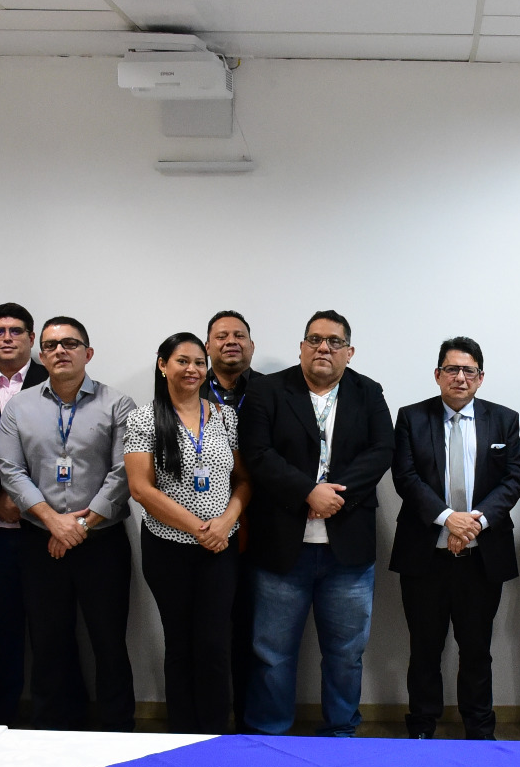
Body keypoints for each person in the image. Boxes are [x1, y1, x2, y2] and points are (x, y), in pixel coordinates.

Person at [238, 311, 394, 737]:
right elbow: (257, 453)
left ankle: (341, 733)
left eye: (334, 341)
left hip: (348, 553)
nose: (324, 348)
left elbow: (382, 451)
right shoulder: (268, 390)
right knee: (271, 654)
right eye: (315, 339)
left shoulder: (368, 392)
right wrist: (308, 492)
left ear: (349, 351)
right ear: (302, 347)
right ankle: (269, 735)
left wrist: (333, 498)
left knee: (346, 654)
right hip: (280, 550)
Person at [0, 317, 138, 731]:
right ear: (41, 355)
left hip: (103, 542)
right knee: (48, 642)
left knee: (109, 642)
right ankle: (53, 731)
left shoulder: (118, 404)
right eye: (52, 345)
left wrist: (79, 525)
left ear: (87, 353)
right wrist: (52, 521)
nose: (60, 351)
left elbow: (123, 472)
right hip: (41, 541)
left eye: (71, 343)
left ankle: (117, 731)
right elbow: (10, 469)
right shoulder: (19, 407)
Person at [390, 337, 520, 740]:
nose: (460, 377)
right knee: (425, 649)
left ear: (481, 378)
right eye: (452, 369)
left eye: (469, 370)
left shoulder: (504, 419)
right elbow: (406, 478)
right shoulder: (412, 418)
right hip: (424, 556)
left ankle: (479, 728)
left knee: (477, 649)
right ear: (438, 375)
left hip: (482, 556)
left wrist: (474, 523)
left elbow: (513, 477)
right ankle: (422, 726)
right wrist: (449, 519)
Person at [125, 332, 250, 734]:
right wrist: (199, 528)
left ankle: (214, 732)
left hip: (220, 548)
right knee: (179, 644)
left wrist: (228, 520)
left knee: (215, 645)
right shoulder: (144, 418)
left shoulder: (226, 417)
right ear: (163, 365)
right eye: (182, 361)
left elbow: (244, 481)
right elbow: (140, 488)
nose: (193, 369)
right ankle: (182, 732)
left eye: (199, 362)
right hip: (168, 547)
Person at [0, 303, 48, 725]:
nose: (7, 338)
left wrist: (30, 505)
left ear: (32, 338)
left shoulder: (55, 379)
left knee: (48, 631)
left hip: (42, 527)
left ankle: (49, 722)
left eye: (16, 331)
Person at [203, 309, 261, 732]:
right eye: (221, 335)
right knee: (208, 635)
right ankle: (209, 721)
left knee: (253, 635)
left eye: (239, 335)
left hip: (262, 528)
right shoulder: (187, 389)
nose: (231, 341)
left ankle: (249, 723)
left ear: (251, 346)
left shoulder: (273, 391)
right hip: (202, 530)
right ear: (207, 346)